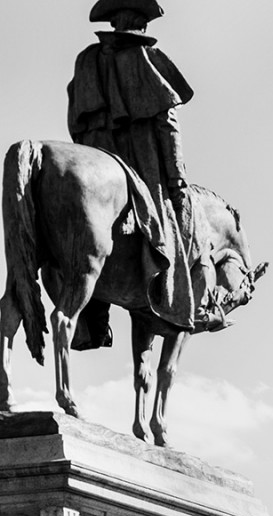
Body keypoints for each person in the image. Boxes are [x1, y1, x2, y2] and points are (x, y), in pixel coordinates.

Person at [67, 0, 208, 341]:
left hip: (93, 150)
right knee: (170, 220)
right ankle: (167, 304)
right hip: (139, 156)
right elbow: (166, 123)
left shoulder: (87, 59)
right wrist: (176, 177)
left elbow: (75, 118)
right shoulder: (148, 59)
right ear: (142, 25)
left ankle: (92, 322)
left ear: (113, 22)